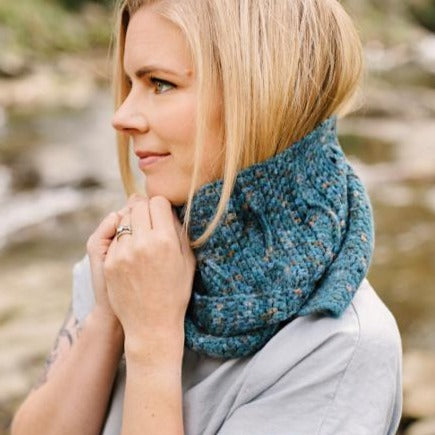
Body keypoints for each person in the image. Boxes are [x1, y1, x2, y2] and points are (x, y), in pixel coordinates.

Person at [11, 0, 403, 434]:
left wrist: (152, 345)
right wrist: (107, 319)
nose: (121, 116)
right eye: (128, 83)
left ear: (260, 95)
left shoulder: (339, 350)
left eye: (159, 84)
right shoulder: (132, 254)